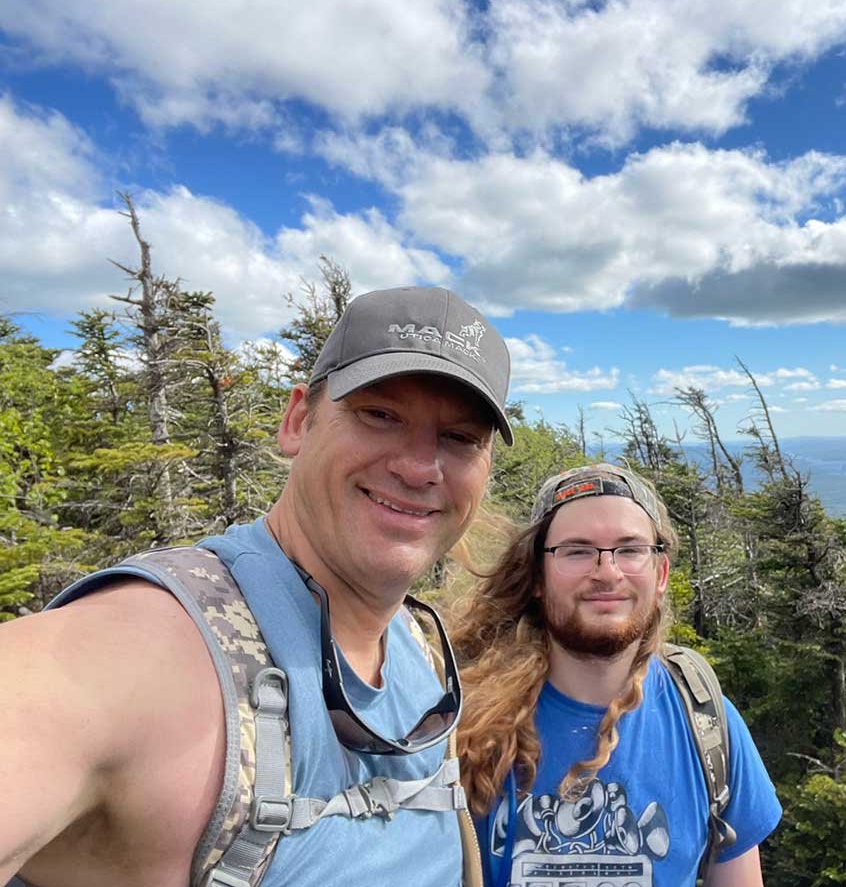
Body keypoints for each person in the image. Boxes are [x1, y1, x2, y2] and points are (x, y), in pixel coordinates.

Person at [0, 287, 512, 887]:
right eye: (380, 414)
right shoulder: (145, 650)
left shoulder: (418, 648)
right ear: (298, 421)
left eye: (460, 438)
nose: (420, 467)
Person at [451, 464, 782, 887]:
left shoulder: (708, 724)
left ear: (660, 574)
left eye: (629, 550)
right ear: (537, 575)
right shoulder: (464, 729)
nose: (607, 572)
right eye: (577, 550)